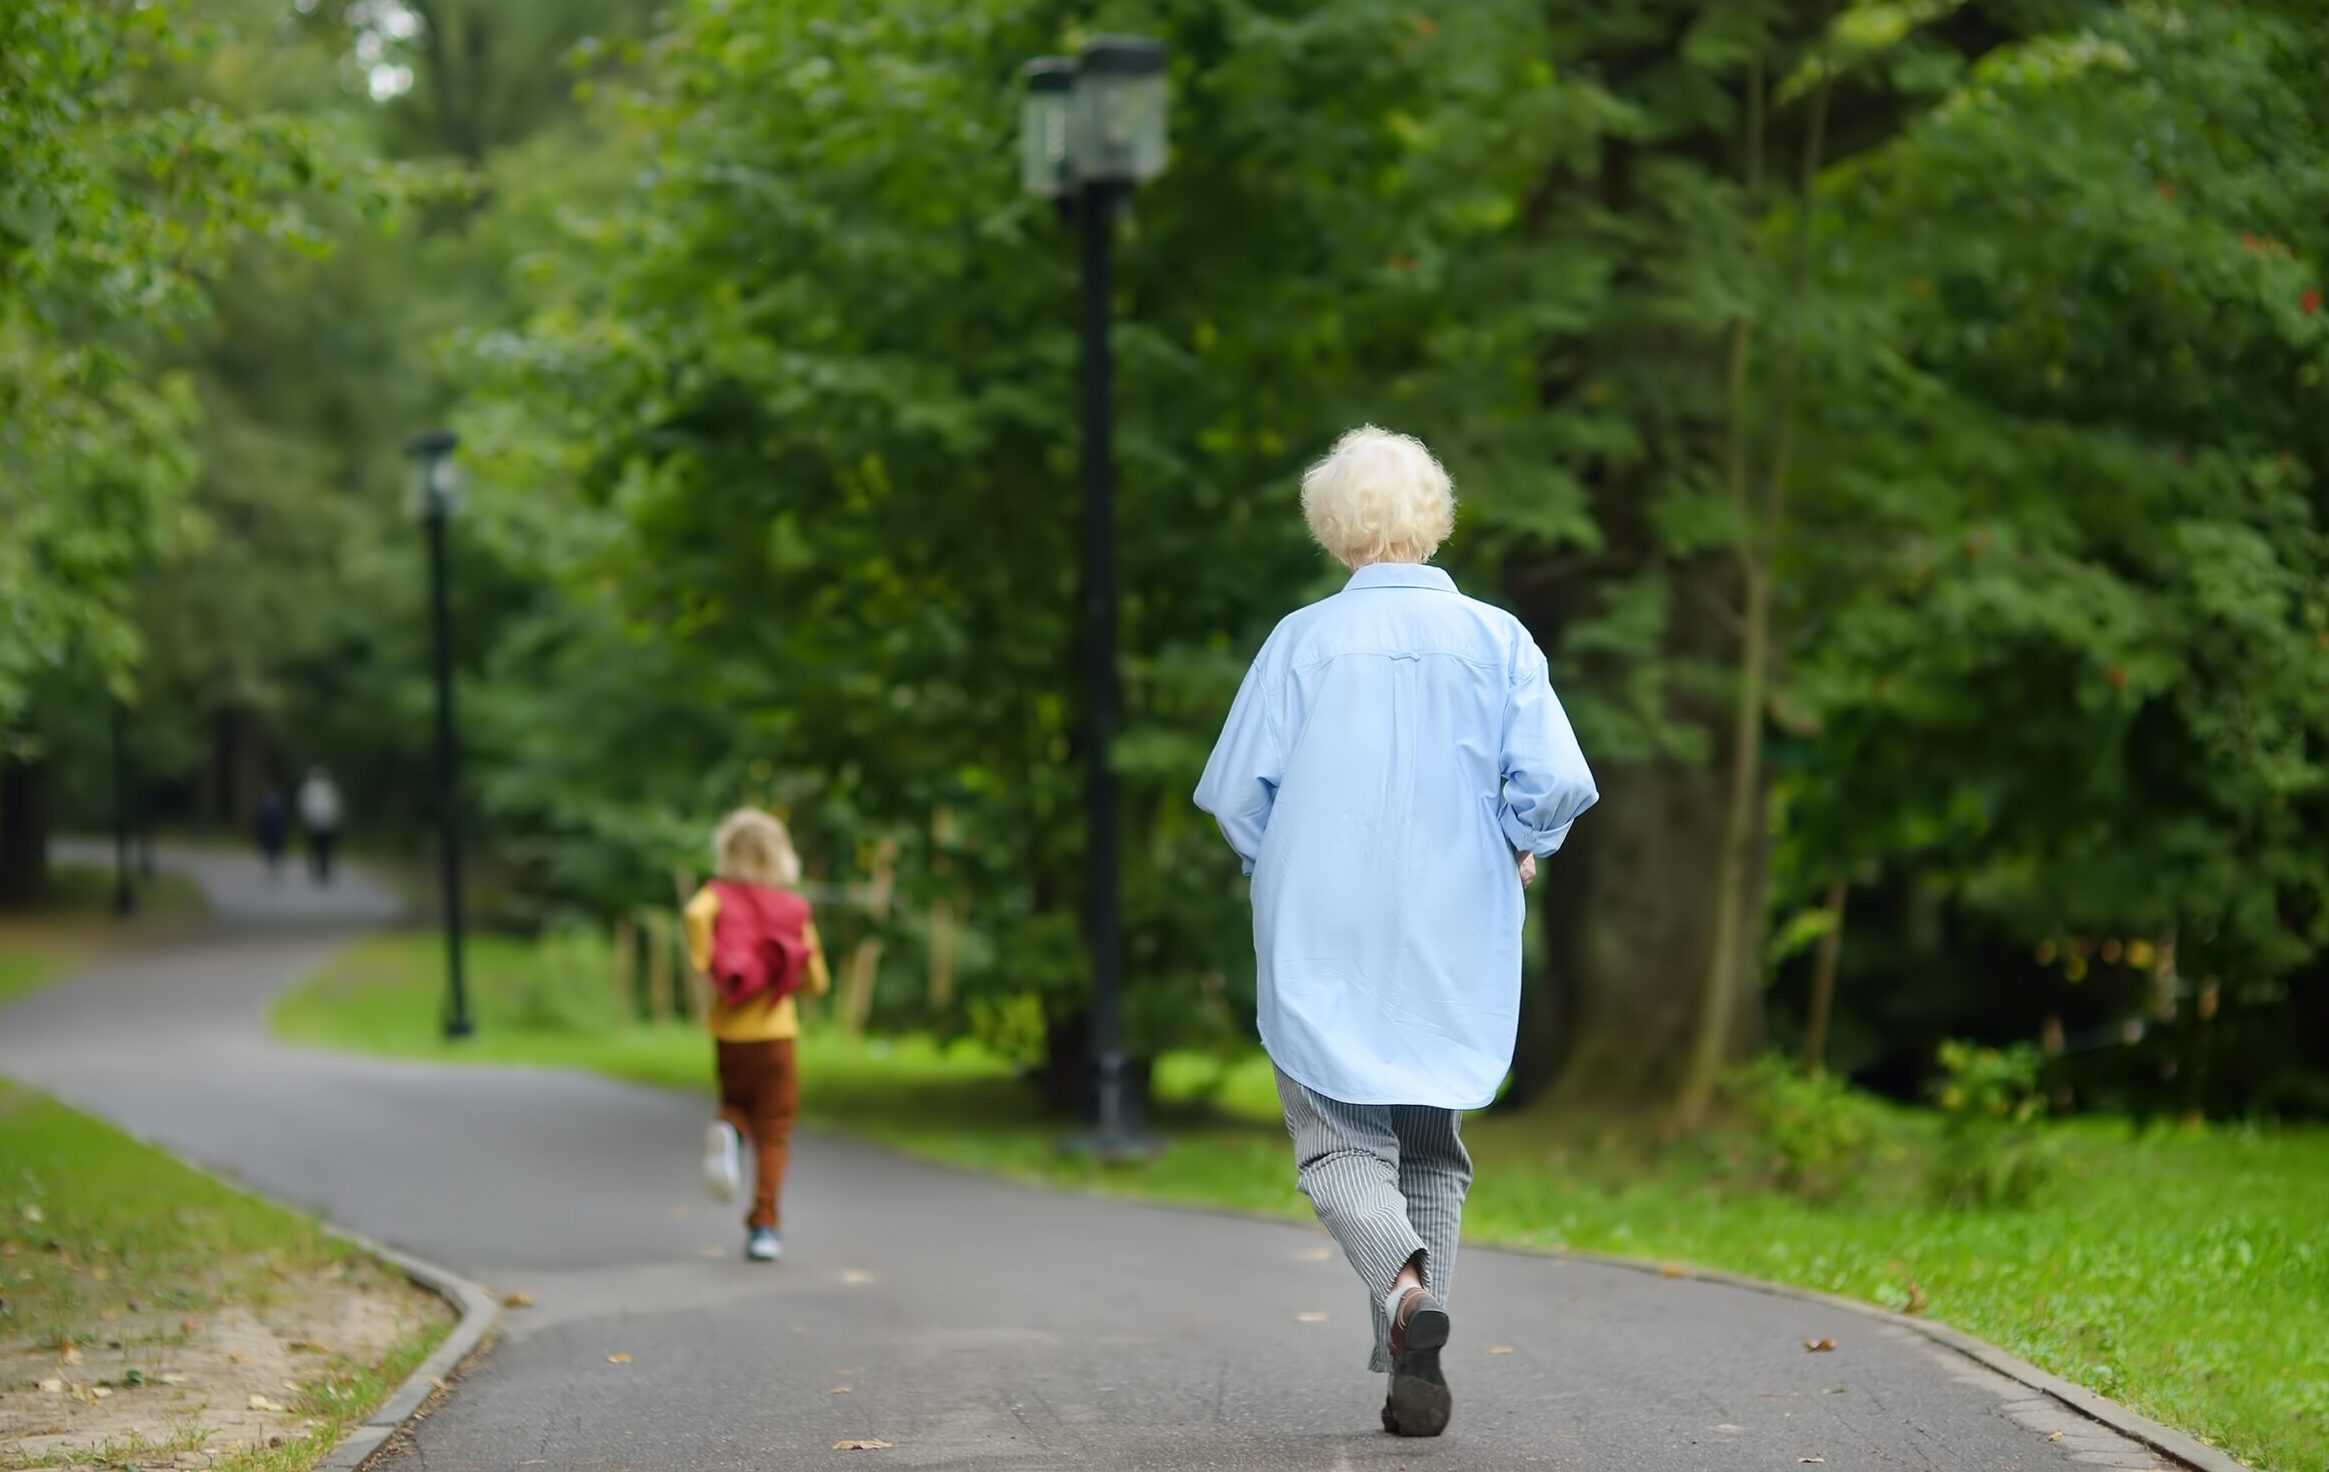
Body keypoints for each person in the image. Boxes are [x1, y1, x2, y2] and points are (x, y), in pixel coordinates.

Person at [1193, 426, 1598, 1439]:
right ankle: (1410, 1373)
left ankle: (1409, 1301)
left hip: (1322, 921)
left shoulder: (1300, 641)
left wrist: (1270, 863)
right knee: (1430, 1143)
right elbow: (1555, 780)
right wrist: (1520, 839)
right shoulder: (1498, 637)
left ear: (1330, 530)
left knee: (1336, 1142)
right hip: (1454, 920)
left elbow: (1238, 793)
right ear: (1435, 516)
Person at [682, 808, 832, 1263]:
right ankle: (765, 1226)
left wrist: (706, 961)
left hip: (729, 1034)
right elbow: (817, 980)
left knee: (736, 1100)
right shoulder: (791, 909)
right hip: (776, 1034)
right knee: (776, 1130)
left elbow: (693, 914)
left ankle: (727, 1129)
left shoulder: (717, 897)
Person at [296, 767, 342, 884]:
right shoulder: (331, 788)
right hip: (327, 824)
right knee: (325, 848)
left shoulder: (309, 788)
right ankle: (324, 870)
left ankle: (314, 870)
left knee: (313, 848)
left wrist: (305, 820)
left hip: (313, 824)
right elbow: (335, 806)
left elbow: (304, 806)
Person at [255, 783, 289, 879]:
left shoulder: (277, 807)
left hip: (275, 833)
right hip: (269, 833)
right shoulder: (265, 807)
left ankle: (274, 869)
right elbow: (261, 822)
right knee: (270, 852)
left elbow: (283, 822)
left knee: (275, 852)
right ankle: (272, 869)